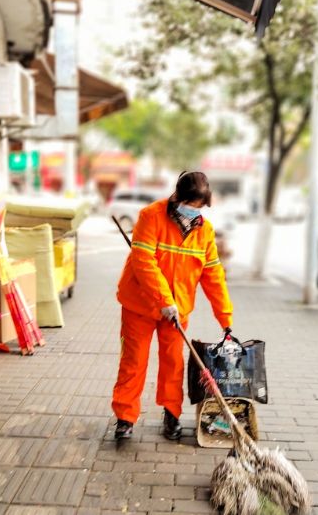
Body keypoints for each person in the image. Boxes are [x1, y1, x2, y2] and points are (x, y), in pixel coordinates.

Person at [112, 172, 233, 440]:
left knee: (173, 363)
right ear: (177, 197)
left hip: (178, 312)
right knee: (133, 362)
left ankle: (171, 414)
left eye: (198, 207)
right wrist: (164, 301)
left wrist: (225, 317)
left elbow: (213, 275)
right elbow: (144, 262)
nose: (193, 211)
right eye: (189, 205)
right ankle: (125, 417)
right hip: (139, 305)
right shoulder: (150, 216)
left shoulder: (205, 231)